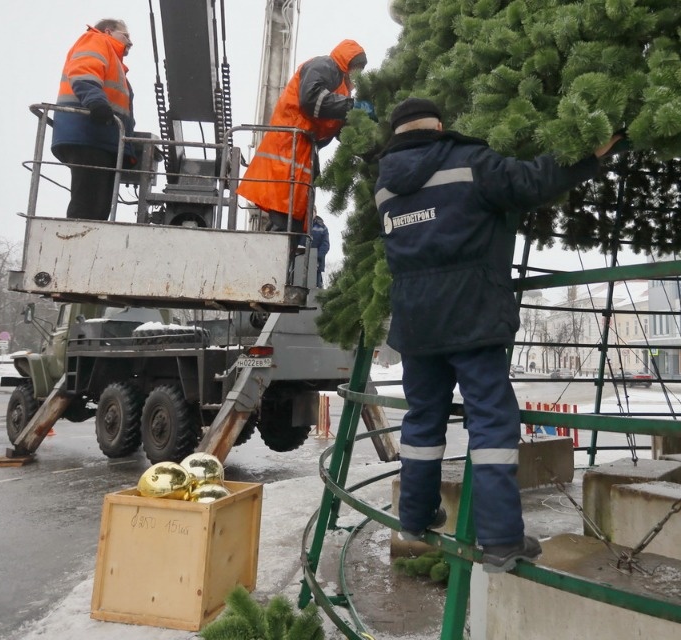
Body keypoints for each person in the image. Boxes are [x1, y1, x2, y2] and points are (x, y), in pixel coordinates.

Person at [376, 97, 624, 573]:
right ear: (441, 126)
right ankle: (501, 539)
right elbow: (533, 181)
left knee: (422, 420)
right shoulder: (468, 161)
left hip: (415, 321)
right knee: (490, 421)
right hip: (472, 313)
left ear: (398, 133)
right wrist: (592, 153)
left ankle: (414, 518)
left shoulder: (384, 183)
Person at [238, 40, 371, 234]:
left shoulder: (341, 88)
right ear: (347, 62)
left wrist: (366, 136)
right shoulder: (326, 67)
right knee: (284, 219)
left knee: (293, 224)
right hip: (288, 148)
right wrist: (352, 106)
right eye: (357, 67)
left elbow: (338, 128)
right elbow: (311, 100)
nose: (358, 73)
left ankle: (281, 255)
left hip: (300, 154)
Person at [51, 19, 137, 221]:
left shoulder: (115, 63)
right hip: (88, 135)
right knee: (88, 204)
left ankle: (84, 243)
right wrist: (96, 102)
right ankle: (76, 243)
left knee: (98, 206)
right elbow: (83, 70)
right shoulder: (96, 40)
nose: (130, 43)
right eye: (125, 36)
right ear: (108, 31)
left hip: (99, 139)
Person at [310, 215, 331, 288]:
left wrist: (317, 257)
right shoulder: (299, 224)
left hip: (316, 263)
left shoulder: (322, 227)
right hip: (298, 259)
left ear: (315, 213)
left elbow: (325, 245)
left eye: (313, 211)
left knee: (316, 287)